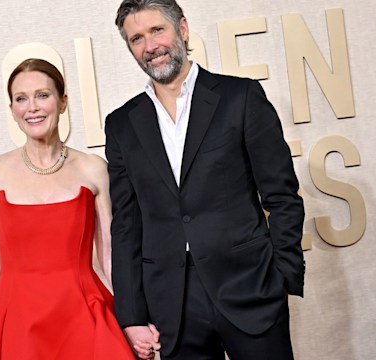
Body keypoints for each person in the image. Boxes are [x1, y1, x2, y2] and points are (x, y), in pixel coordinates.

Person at [105, 1, 306, 359]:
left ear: (182, 29)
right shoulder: (122, 124)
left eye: (157, 30)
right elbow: (126, 225)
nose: (149, 46)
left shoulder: (240, 98)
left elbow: (282, 195)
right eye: (137, 38)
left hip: (250, 288)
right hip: (171, 305)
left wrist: (281, 277)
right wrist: (132, 315)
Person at [0, 58, 146, 359]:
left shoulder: (93, 169)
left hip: (82, 315)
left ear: (62, 102)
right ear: (12, 110)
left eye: (42, 95)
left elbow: (110, 253)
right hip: (15, 320)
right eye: (21, 99)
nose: (32, 107)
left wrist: (134, 318)